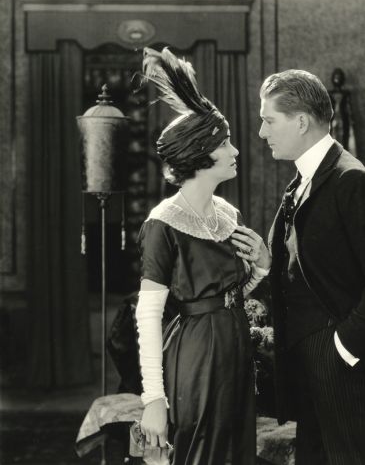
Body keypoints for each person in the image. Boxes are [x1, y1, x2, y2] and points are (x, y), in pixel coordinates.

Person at [259, 69, 365, 465]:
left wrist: (342, 348)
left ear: (300, 122)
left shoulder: (350, 180)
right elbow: (315, 266)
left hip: (342, 363)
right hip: (309, 361)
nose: (263, 133)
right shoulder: (304, 178)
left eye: (268, 120)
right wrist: (270, 262)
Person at [135, 47, 270, 465]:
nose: (234, 151)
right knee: (199, 452)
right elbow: (148, 315)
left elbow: (232, 290)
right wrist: (154, 398)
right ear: (200, 154)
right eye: (224, 143)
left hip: (235, 345)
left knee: (236, 451)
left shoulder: (229, 214)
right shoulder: (163, 223)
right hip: (195, 354)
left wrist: (261, 268)